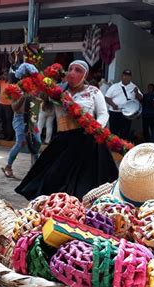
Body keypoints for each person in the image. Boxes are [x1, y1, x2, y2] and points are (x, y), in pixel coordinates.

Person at [15, 60, 118, 200]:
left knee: (86, 182)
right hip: (64, 140)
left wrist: (96, 128)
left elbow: (103, 113)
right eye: (71, 69)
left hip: (88, 140)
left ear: (85, 75)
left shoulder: (93, 91)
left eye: (78, 70)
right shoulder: (58, 91)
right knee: (52, 177)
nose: (73, 72)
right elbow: (43, 106)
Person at [1, 92, 41, 178]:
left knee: (37, 142)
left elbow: (40, 105)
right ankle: (8, 167)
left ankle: (34, 168)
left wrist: (37, 100)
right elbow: (14, 107)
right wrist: (23, 97)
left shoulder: (36, 89)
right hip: (19, 119)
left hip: (32, 119)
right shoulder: (16, 91)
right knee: (20, 143)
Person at [104, 69, 143, 140]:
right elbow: (107, 97)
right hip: (114, 112)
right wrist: (113, 105)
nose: (126, 77)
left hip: (127, 114)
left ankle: (123, 148)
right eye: (125, 75)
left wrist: (136, 93)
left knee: (125, 132)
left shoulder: (134, 87)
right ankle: (113, 147)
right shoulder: (114, 86)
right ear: (122, 76)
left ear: (131, 77)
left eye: (128, 76)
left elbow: (141, 98)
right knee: (113, 131)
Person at [0, 73, 15, 141]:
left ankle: (10, 136)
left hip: (9, 105)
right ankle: (5, 135)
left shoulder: (13, 84)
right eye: (5, 75)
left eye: (8, 75)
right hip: (1, 104)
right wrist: (0, 76)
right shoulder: (2, 82)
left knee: (9, 121)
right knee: (3, 120)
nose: (6, 76)